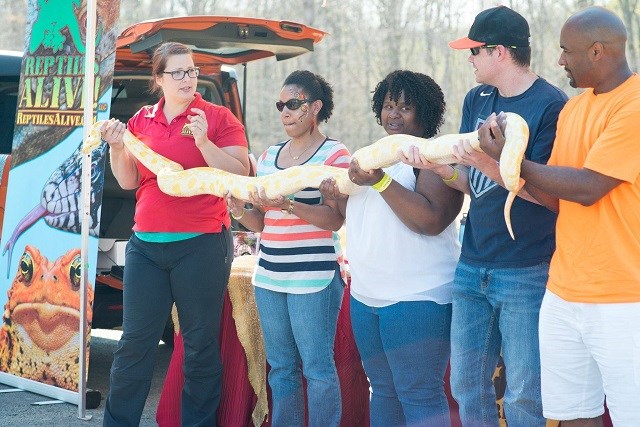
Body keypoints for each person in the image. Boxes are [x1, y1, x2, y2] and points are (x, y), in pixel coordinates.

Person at [404, 6, 568, 426]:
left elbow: (553, 199)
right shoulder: (476, 98)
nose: (469, 58)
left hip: (528, 268)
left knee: (524, 395)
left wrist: (489, 161)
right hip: (471, 262)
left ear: (500, 52)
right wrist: (444, 170)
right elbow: (474, 182)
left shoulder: (551, 106)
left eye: (475, 50)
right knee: (465, 386)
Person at [480, 6, 640, 426]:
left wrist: (511, 160)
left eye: (567, 51)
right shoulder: (572, 109)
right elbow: (555, 195)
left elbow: (589, 187)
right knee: (571, 416)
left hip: (624, 298)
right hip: (564, 292)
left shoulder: (635, 105)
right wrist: (493, 167)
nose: (559, 61)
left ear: (598, 51)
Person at [100, 42, 250, 426]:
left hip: (200, 245)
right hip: (145, 246)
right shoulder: (141, 120)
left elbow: (240, 175)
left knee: (199, 346)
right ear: (159, 79)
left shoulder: (217, 117)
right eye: (178, 72)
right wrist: (118, 146)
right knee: (134, 344)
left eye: (193, 70)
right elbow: (129, 178)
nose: (188, 78)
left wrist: (203, 143)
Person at [320, 70, 463, 426]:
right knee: (381, 390)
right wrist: (333, 198)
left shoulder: (432, 157)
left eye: (405, 107)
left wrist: (382, 181)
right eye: (387, 106)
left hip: (417, 299)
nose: (394, 115)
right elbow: (356, 218)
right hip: (367, 297)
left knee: (419, 393)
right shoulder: (371, 157)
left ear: (425, 113)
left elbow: (430, 221)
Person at [226, 70, 349, 426]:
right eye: (281, 105)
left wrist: (289, 205)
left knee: (317, 368)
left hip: (313, 276)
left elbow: (335, 220)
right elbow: (262, 225)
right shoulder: (268, 156)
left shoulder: (335, 154)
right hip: (269, 277)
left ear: (315, 108)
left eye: (293, 104)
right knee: (281, 369)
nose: (285, 112)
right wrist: (241, 210)